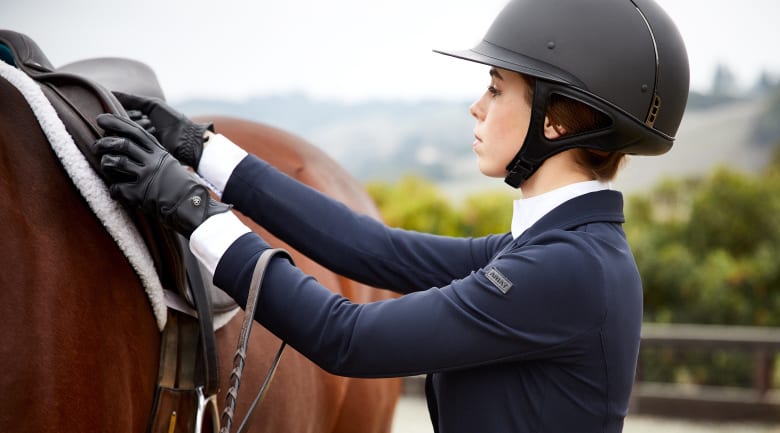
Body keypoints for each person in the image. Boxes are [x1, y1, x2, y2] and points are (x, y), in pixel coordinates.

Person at [91, 0, 689, 431]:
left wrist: (195, 212)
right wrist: (205, 151)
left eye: (498, 87)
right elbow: (373, 250)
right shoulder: (556, 248)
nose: (477, 107)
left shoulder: (566, 269)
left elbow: (346, 338)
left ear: (556, 119)